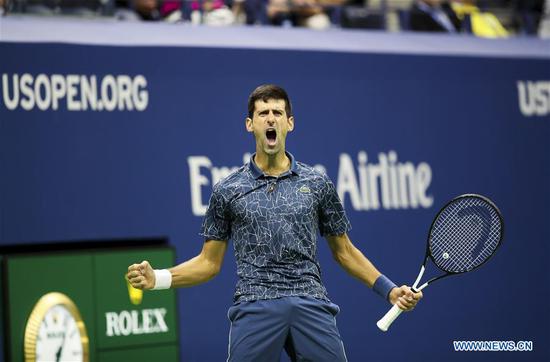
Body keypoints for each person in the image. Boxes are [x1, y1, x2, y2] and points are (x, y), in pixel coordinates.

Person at [127, 84, 423, 361]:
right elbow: (208, 263)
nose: (271, 120)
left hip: (310, 300)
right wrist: (159, 279)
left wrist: (389, 290)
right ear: (250, 124)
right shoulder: (227, 189)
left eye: (278, 113)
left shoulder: (317, 183)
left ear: (289, 123)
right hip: (255, 304)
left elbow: (344, 251)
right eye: (263, 113)